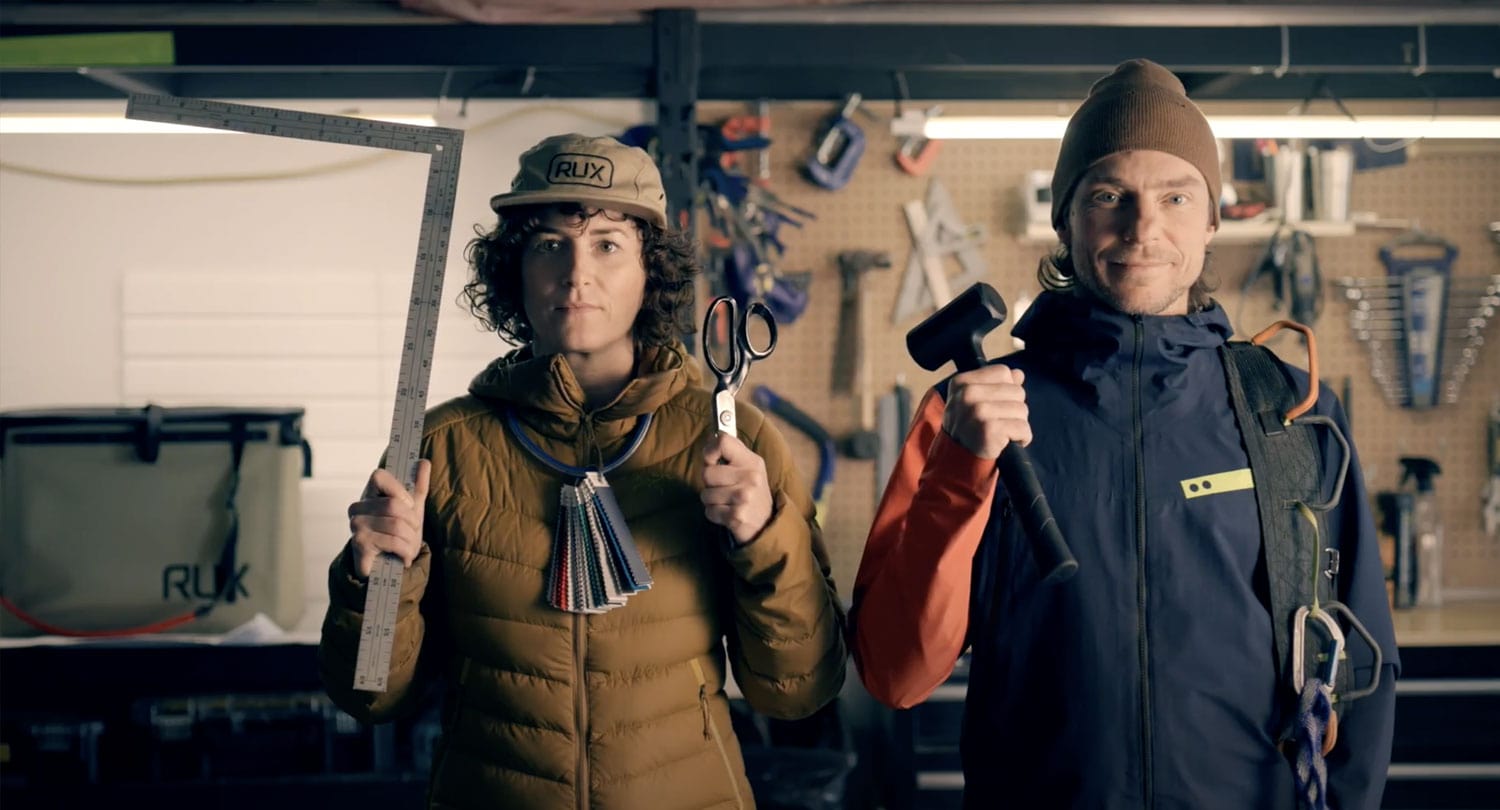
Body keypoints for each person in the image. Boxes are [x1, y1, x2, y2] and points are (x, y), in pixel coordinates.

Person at [851, 60, 1398, 809]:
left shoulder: (1292, 410)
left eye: (1176, 197)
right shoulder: (971, 411)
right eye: (1109, 196)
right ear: (1066, 219)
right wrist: (960, 469)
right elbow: (895, 674)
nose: (1143, 229)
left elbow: (1361, 670)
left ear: (1211, 221)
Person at [319, 133, 846, 809]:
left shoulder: (733, 441)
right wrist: (372, 580)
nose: (576, 274)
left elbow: (797, 691)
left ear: (651, 271)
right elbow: (367, 696)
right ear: (514, 268)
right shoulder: (437, 448)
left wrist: (764, 538)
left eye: (607, 244)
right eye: (549, 245)